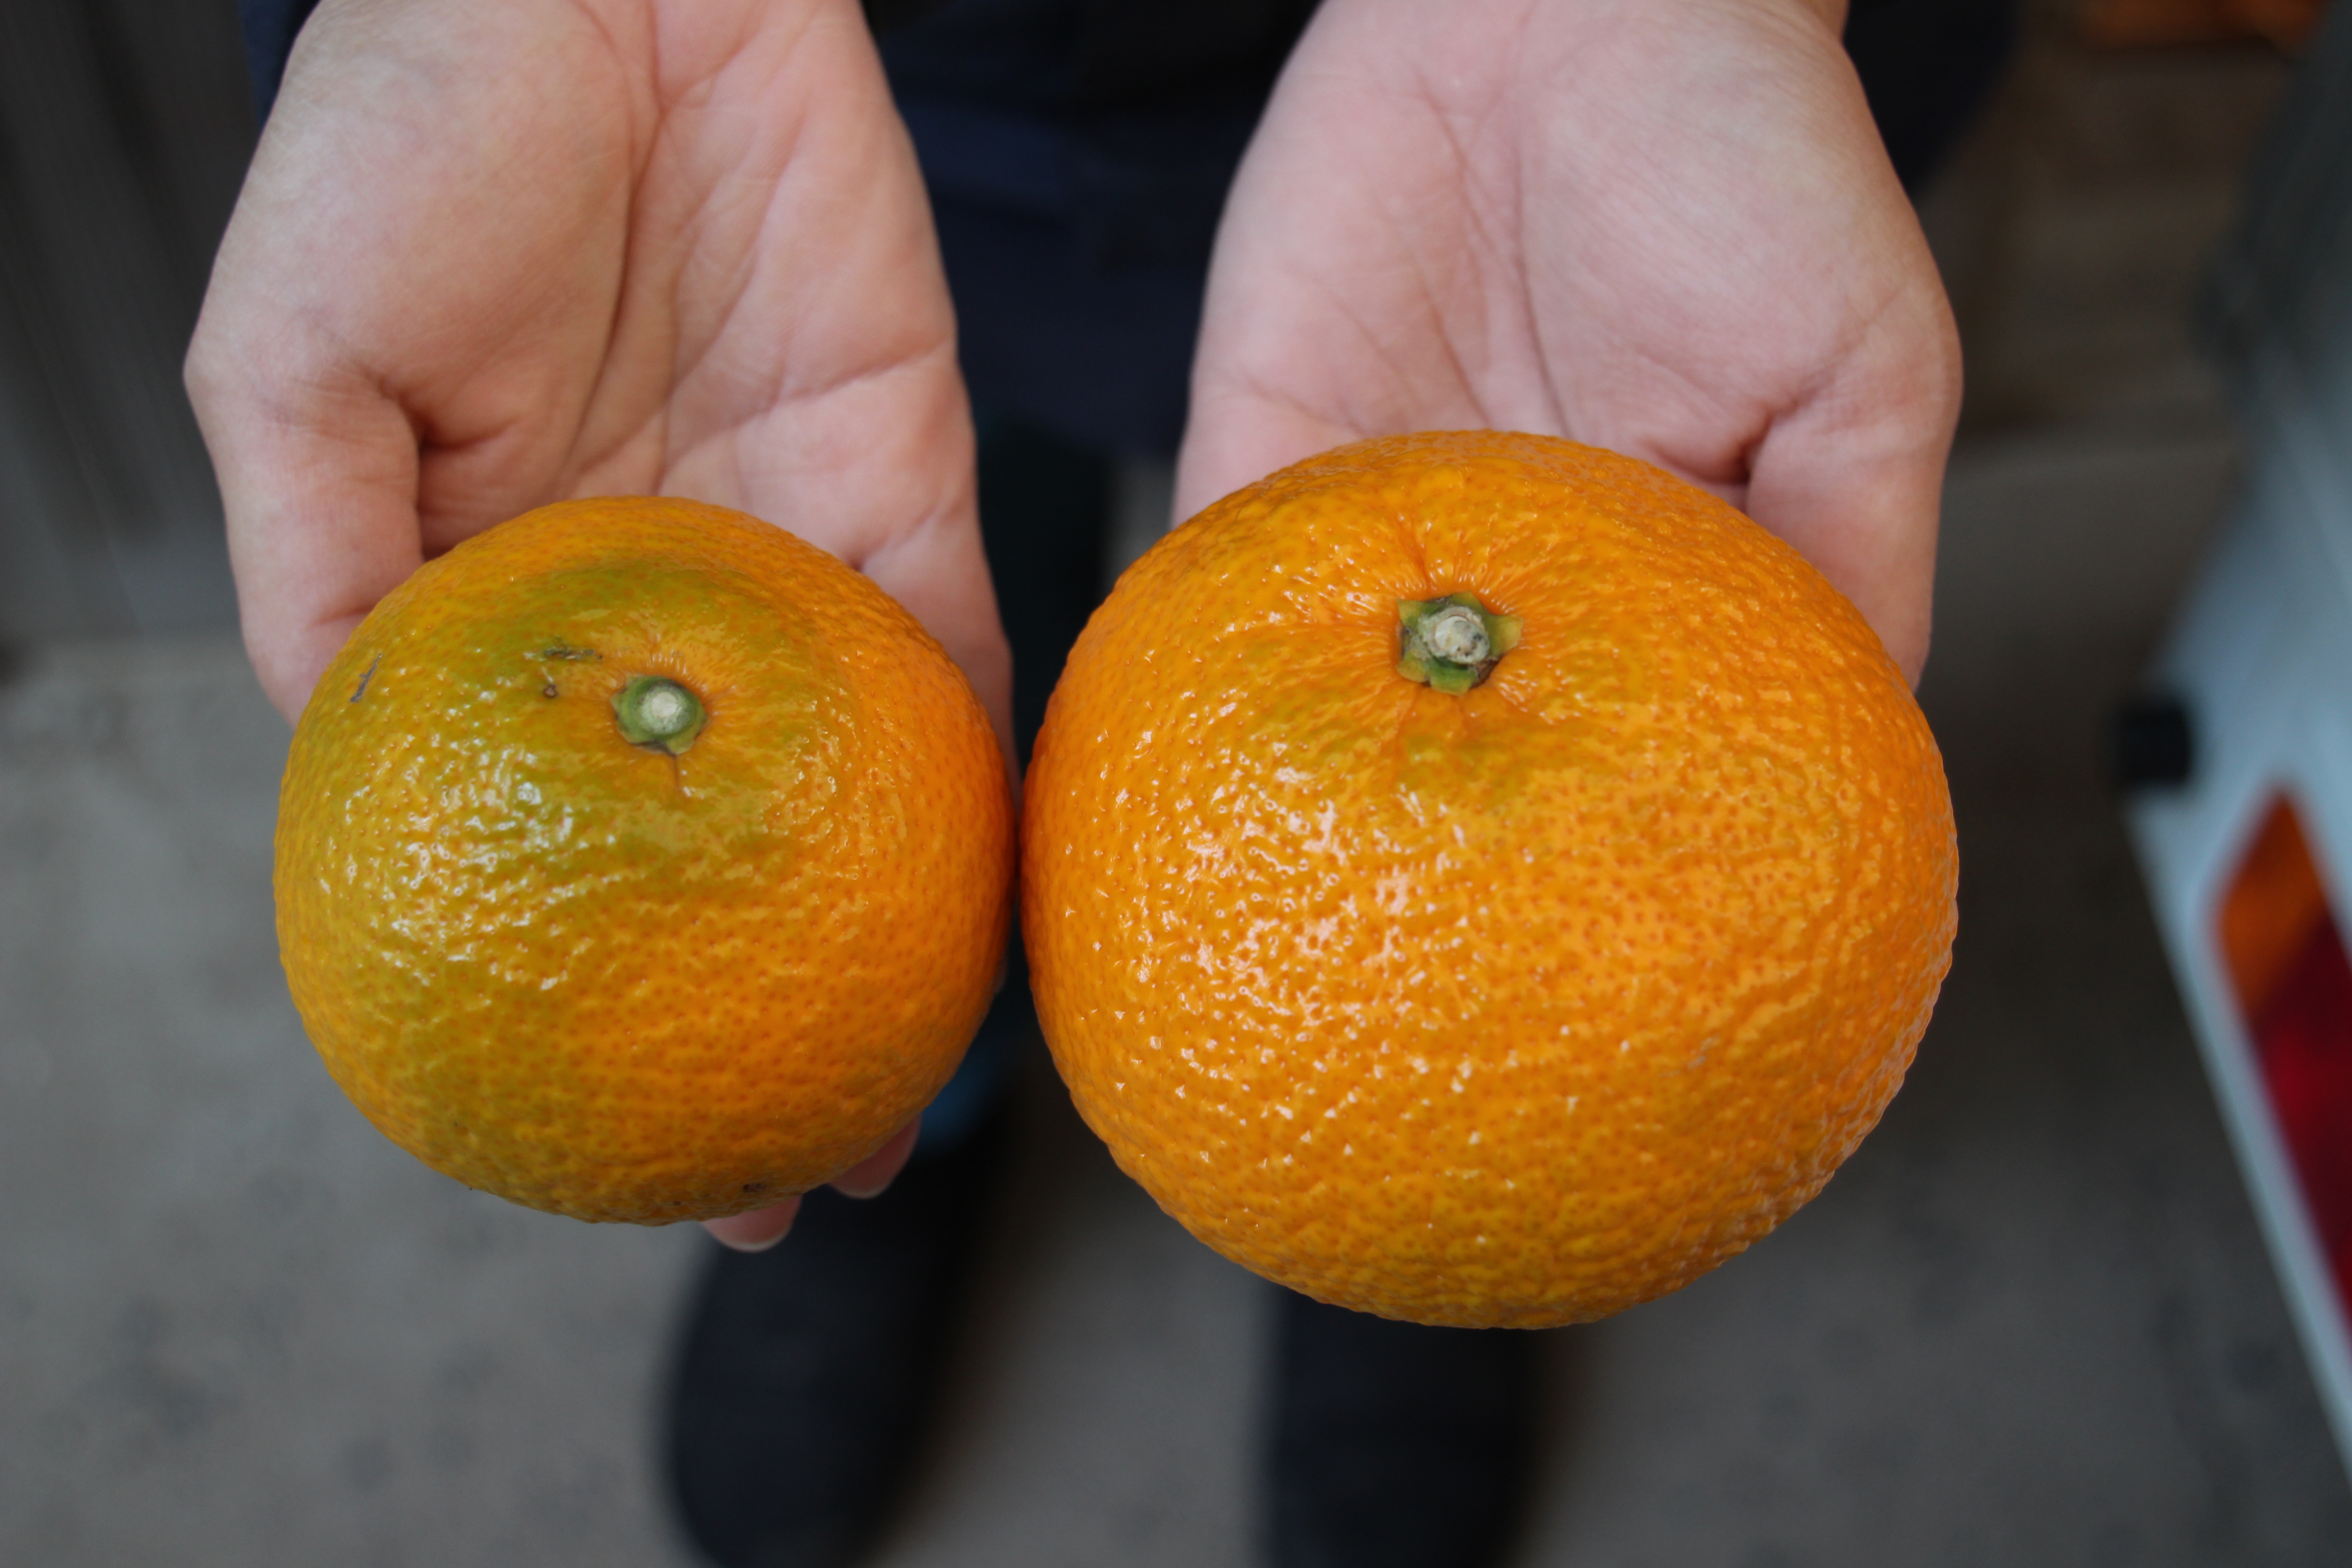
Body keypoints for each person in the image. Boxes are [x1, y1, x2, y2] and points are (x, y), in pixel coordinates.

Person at [192, 2, 2002, 1564]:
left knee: (1473, 1006)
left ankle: (1434, 1222)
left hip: (1544, 144)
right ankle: (899, 1117)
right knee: (892, 722)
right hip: (814, 123)